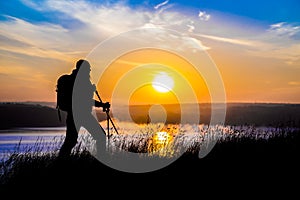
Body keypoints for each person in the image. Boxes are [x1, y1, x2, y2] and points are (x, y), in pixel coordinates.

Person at [58, 59, 110, 158]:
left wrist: (100, 102)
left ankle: (61, 161)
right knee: (101, 136)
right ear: (84, 69)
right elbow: (86, 100)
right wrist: (102, 104)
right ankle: (102, 159)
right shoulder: (81, 81)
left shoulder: (76, 80)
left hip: (73, 116)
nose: (89, 71)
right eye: (88, 69)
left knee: (70, 141)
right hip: (82, 115)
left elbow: (85, 100)